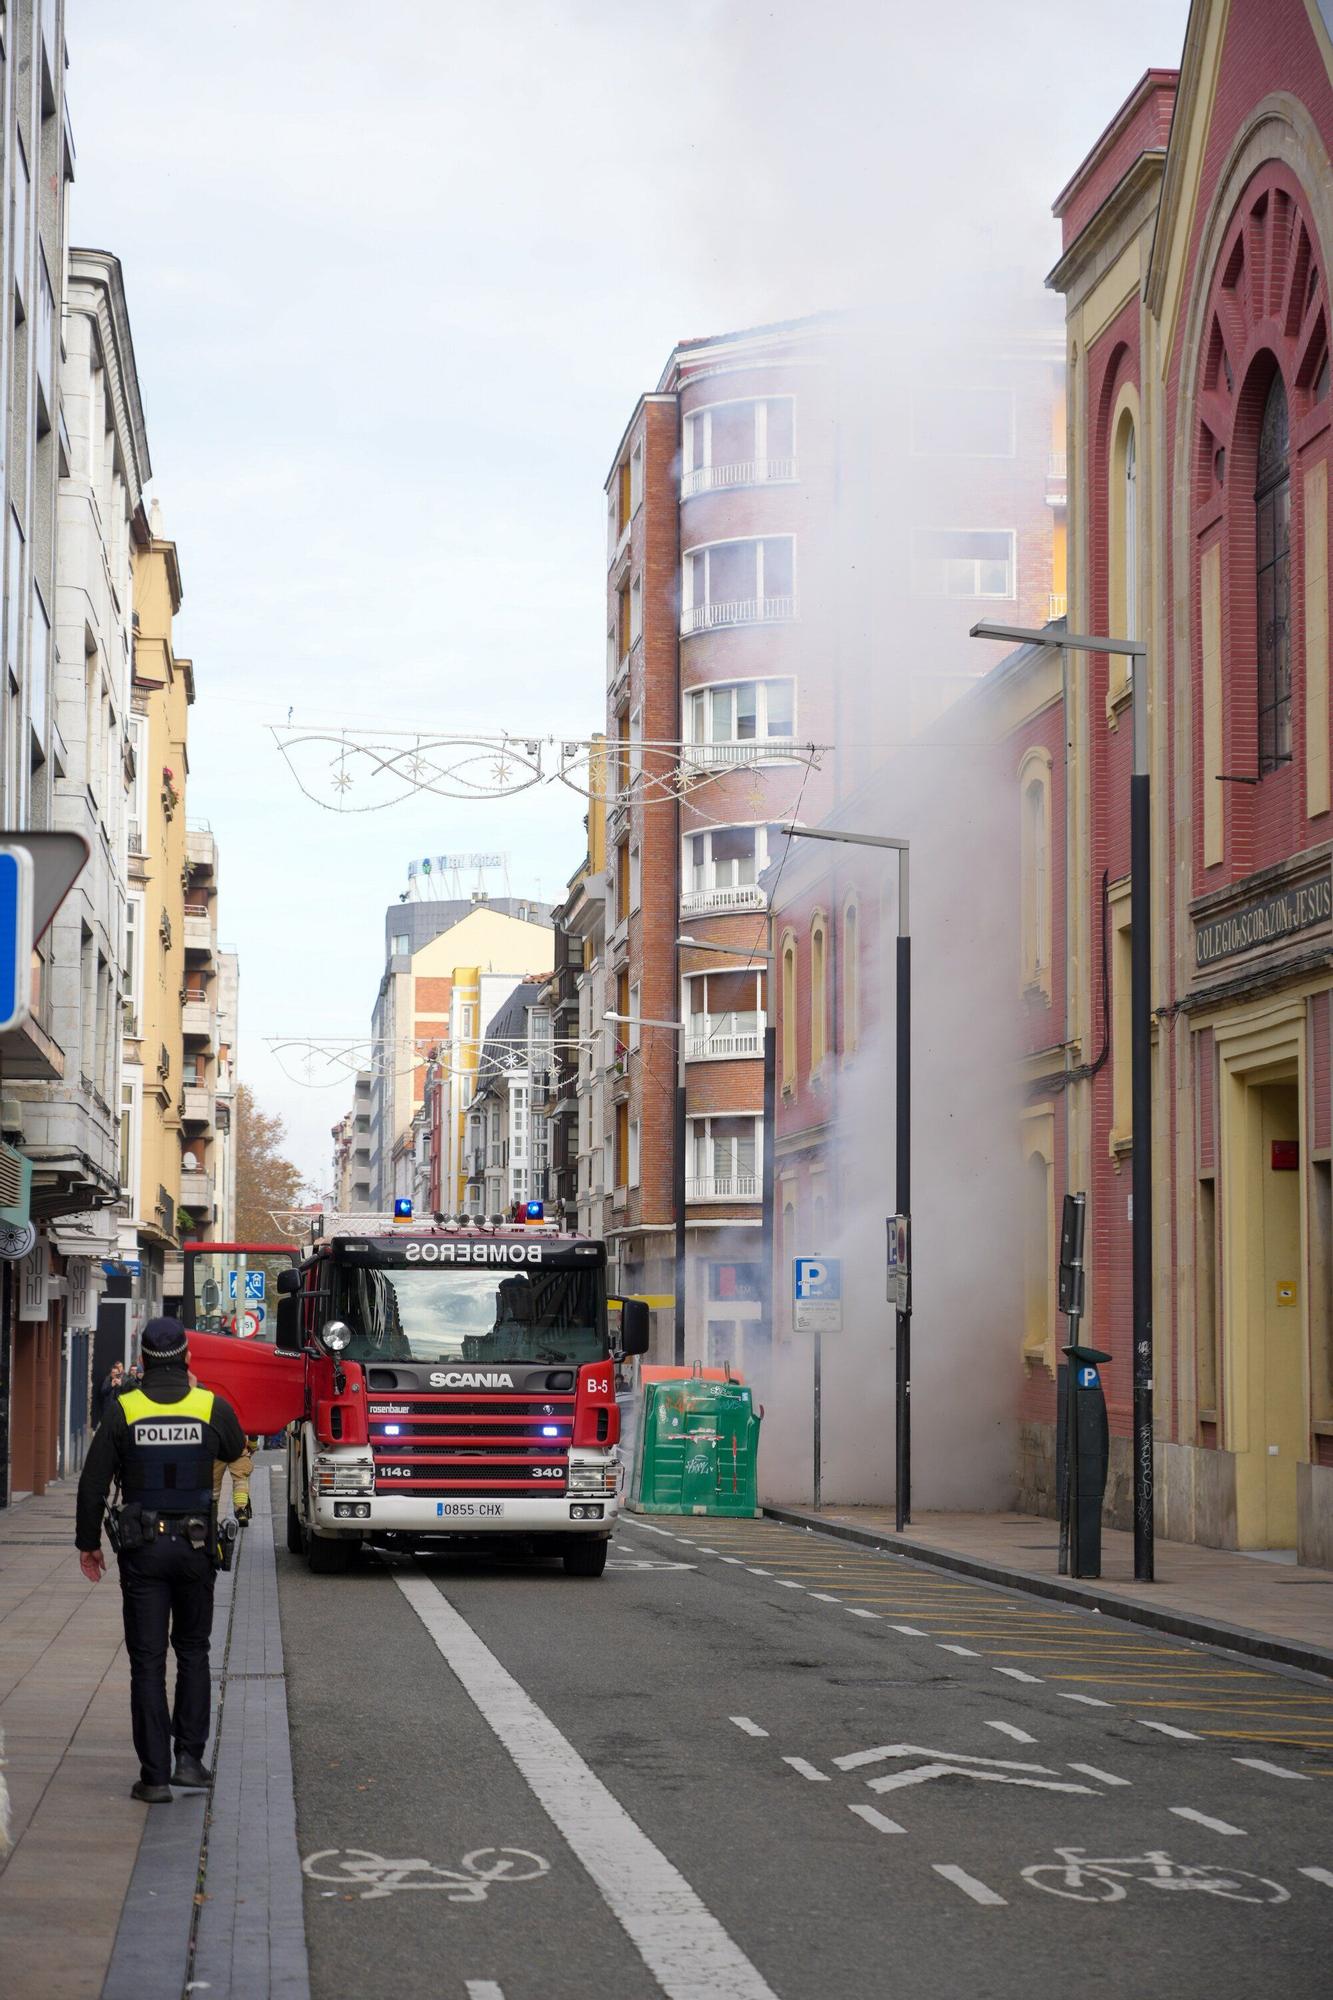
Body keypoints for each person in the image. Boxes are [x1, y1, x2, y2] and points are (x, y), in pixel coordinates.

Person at [76, 1317, 246, 1805]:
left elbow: (93, 1483)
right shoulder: (210, 1405)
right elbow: (235, 1449)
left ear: (144, 1360)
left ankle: (153, 1776)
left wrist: (87, 1543)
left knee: (147, 1663)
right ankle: (189, 1762)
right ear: (188, 1359)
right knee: (193, 1651)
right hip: (195, 1549)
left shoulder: (124, 1409)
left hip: (143, 1551)